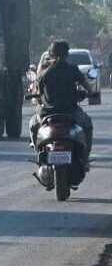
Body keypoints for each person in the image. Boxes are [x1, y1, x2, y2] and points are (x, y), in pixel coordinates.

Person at [31, 40, 95, 176]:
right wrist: (91, 93)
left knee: (32, 124)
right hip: (70, 112)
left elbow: (37, 94)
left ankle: (38, 151)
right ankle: (86, 157)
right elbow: (87, 87)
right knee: (87, 124)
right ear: (66, 55)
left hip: (47, 114)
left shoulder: (44, 73)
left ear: (51, 55)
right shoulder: (73, 70)